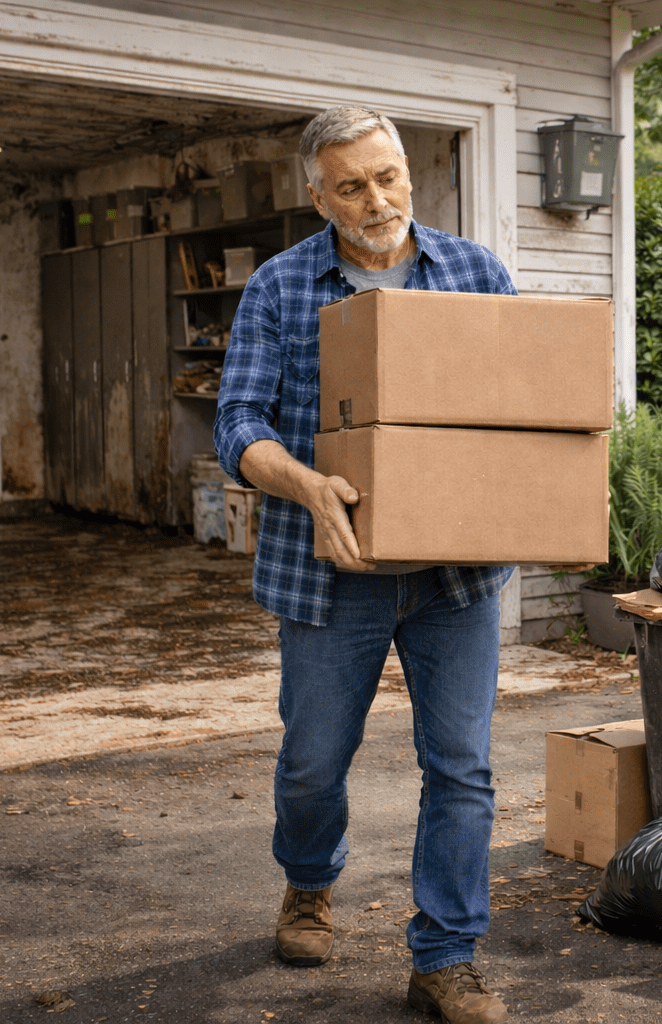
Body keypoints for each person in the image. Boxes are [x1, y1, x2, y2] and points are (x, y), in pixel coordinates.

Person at [214, 106, 513, 1024]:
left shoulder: (475, 273)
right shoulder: (279, 286)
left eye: (388, 177)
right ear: (318, 197)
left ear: (407, 171)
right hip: (327, 574)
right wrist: (307, 485)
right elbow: (238, 425)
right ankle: (309, 881)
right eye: (351, 187)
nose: (377, 200)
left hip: (455, 577)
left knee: (461, 768)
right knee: (313, 762)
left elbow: (521, 406)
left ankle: (446, 957)